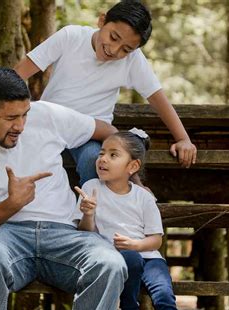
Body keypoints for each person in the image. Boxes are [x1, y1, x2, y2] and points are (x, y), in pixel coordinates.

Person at [0, 68, 127, 310]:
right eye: (10, 118)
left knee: (110, 264)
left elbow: (108, 132)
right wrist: (11, 205)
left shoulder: (47, 114)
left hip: (65, 234)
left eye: (25, 114)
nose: (21, 126)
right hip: (5, 238)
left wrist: (130, 174)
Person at [14, 0, 197, 186]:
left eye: (126, 49)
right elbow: (18, 74)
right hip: (52, 125)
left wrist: (183, 139)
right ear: (102, 21)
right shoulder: (71, 36)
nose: (114, 50)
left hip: (92, 133)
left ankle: (95, 212)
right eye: (114, 37)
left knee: (94, 162)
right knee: (27, 158)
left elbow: (159, 100)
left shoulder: (133, 61)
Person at [74, 129, 178, 310]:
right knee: (131, 258)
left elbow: (156, 239)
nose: (103, 159)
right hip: (118, 258)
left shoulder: (143, 197)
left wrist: (136, 244)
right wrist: (88, 214)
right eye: (101, 153)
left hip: (150, 258)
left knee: (164, 296)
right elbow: (85, 234)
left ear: (132, 166)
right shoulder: (91, 188)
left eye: (113, 155)